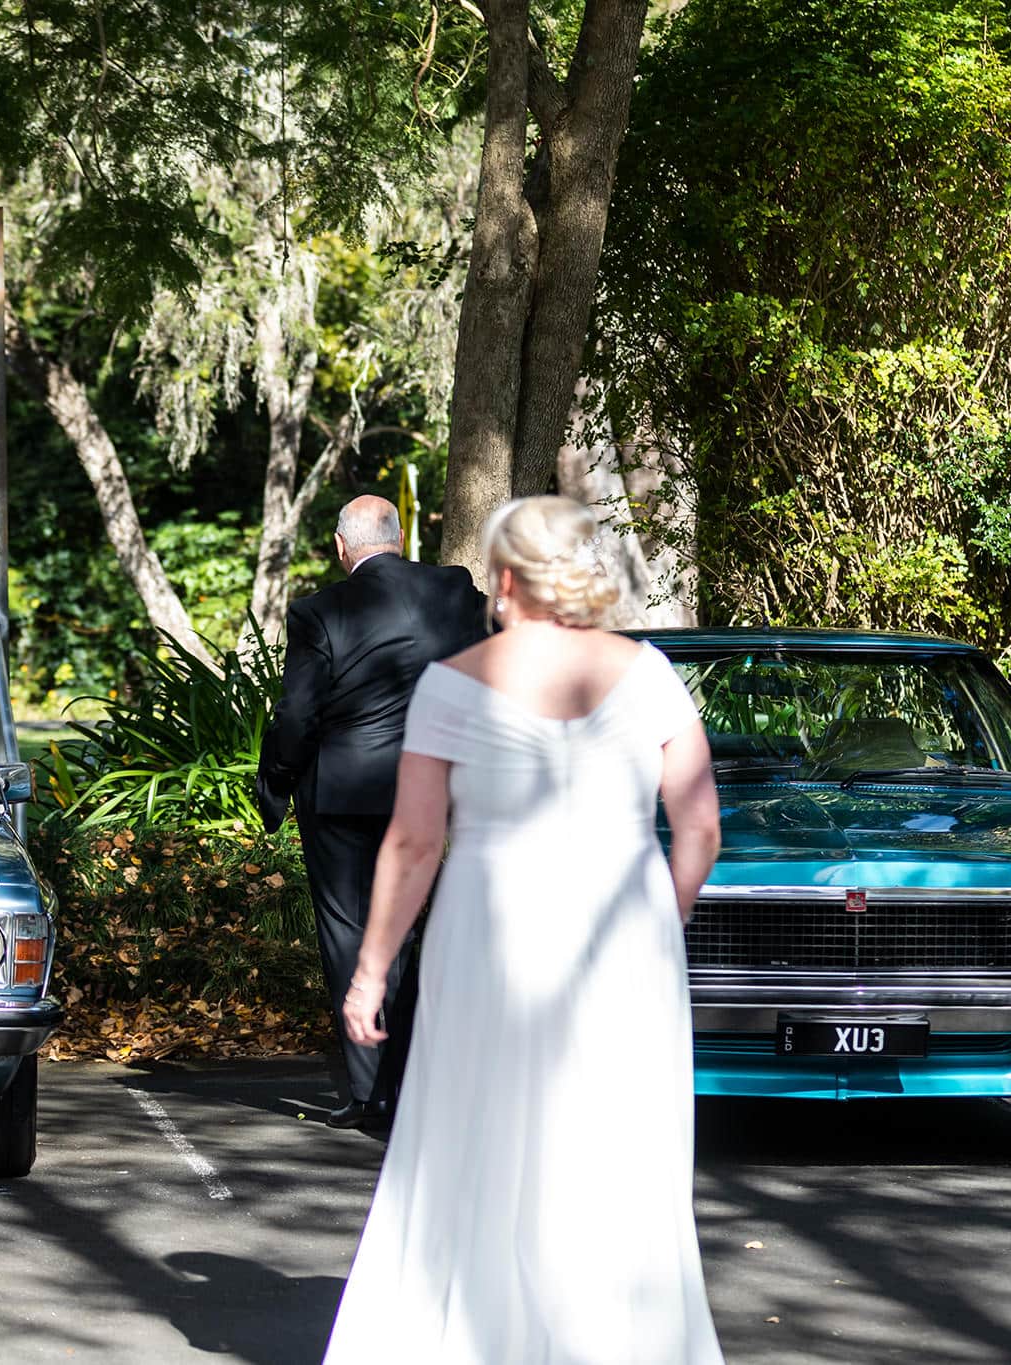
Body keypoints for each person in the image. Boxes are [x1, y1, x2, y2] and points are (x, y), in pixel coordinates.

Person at [324, 495, 726, 1363]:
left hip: (490, 936)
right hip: (626, 939)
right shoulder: (651, 673)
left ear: (505, 576)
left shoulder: (453, 683)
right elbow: (698, 828)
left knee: (477, 1136)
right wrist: (665, 920)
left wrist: (371, 970)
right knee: (615, 1147)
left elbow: (416, 839)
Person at [257, 494, 487, 1130]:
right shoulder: (455, 593)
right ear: (400, 536)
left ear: (340, 545)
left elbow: (297, 715)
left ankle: (371, 1093)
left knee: (349, 935)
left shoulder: (318, 611)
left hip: (344, 794)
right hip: (436, 785)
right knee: (421, 932)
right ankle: (418, 1082)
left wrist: (274, 782)